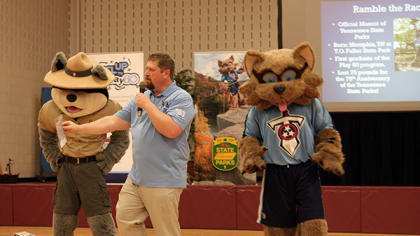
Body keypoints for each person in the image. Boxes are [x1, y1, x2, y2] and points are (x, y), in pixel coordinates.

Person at [62, 53, 195, 236]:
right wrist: (79, 129)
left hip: (163, 179)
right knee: (126, 219)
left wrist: (148, 105)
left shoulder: (181, 98)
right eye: (146, 68)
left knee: (166, 232)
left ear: (166, 73)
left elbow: (171, 130)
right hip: (136, 178)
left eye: (151, 69)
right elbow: (113, 121)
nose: (146, 73)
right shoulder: (142, 98)